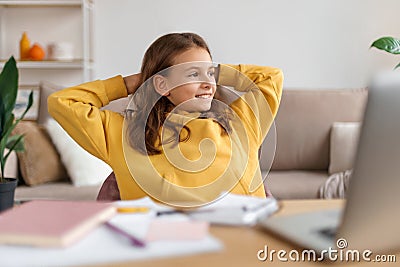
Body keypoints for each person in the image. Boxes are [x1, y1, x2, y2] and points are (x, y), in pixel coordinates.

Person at [48, 32, 283, 205]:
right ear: (163, 85)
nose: (208, 83)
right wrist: (131, 83)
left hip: (240, 245)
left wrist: (217, 71)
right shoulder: (123, 132)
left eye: (210, 74)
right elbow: (62, 101)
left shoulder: (240, 123)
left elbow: (272, 78)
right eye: (193, 74)